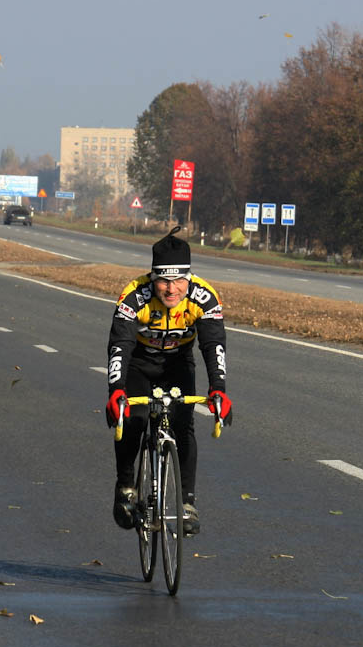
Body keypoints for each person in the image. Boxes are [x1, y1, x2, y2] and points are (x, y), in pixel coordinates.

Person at [105, 227, 232, 535]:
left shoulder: (204, 297)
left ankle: (187, 503)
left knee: (183, 425)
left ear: (189, 277)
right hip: (139, 363)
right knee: (133, 419)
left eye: (178, 280)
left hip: (178, 363)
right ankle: (126, 486)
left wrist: (218, 390)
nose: (171, 289)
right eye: (163, 280)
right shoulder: (134, 296)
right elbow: (120, 345)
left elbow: (213, 345)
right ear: (153, 278)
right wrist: (116, 391)